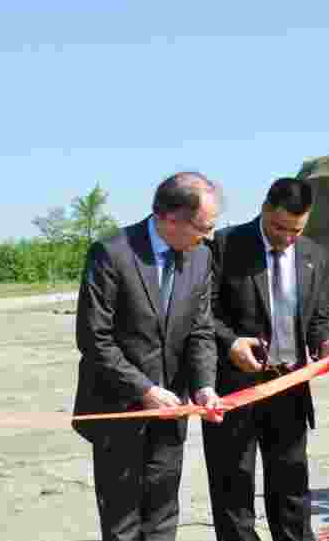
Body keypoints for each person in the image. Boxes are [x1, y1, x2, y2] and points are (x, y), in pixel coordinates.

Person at [72, 171, 224, 541]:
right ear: (169, 218)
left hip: (171, 414)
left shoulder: (201, 258)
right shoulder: (112, 253)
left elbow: (201, 330)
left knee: (162, 518)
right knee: (122, 525)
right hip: (119, 409)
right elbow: (95, 338)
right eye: (203, 228)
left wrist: (203, 386)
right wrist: (144, 389)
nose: (210, 237)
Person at [200, 177, 329, 541]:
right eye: (279, 227)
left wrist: (327, 341)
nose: (287, 237)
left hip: (290, 387)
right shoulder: (224, 246)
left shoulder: (315, 255)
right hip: (236, 389)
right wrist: (231, 342)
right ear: (265, 209)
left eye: (296, 230)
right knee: (233, 489)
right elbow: (202, 314)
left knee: (292, 489)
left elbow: (317, 318)